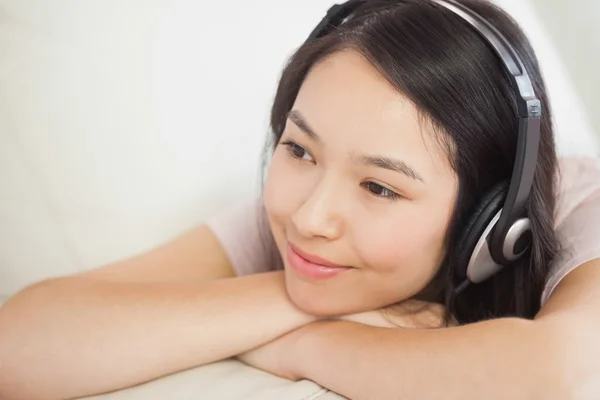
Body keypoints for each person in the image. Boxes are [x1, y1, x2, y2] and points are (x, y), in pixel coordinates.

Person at [1, 0, 600, 399]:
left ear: (493, 223)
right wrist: (293, 301)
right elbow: (18, 348)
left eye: (379, 187)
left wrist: (306, 345)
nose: (311, 218)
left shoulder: (582, 203)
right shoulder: (295, 218)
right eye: (299, 149)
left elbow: (566, 374)